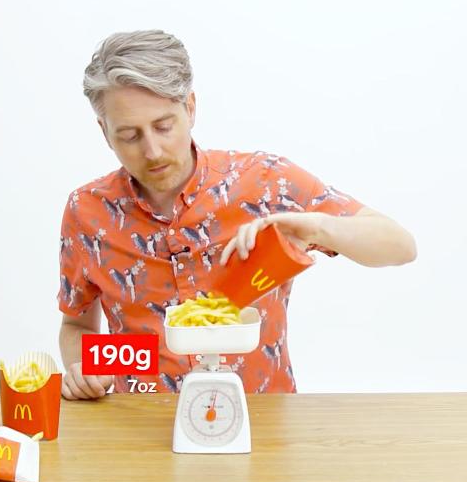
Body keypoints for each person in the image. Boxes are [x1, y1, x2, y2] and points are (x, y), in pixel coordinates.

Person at [58, 30, 416, 399]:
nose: (153, 151)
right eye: (130, 136)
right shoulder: (87, 211)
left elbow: (400, 246)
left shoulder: (266, 182)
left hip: (264, 422)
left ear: (191, 108)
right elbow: (76, 325)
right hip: (138, 426)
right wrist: (91, 370)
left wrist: (316, 227)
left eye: (164, 126)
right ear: (104, 132)